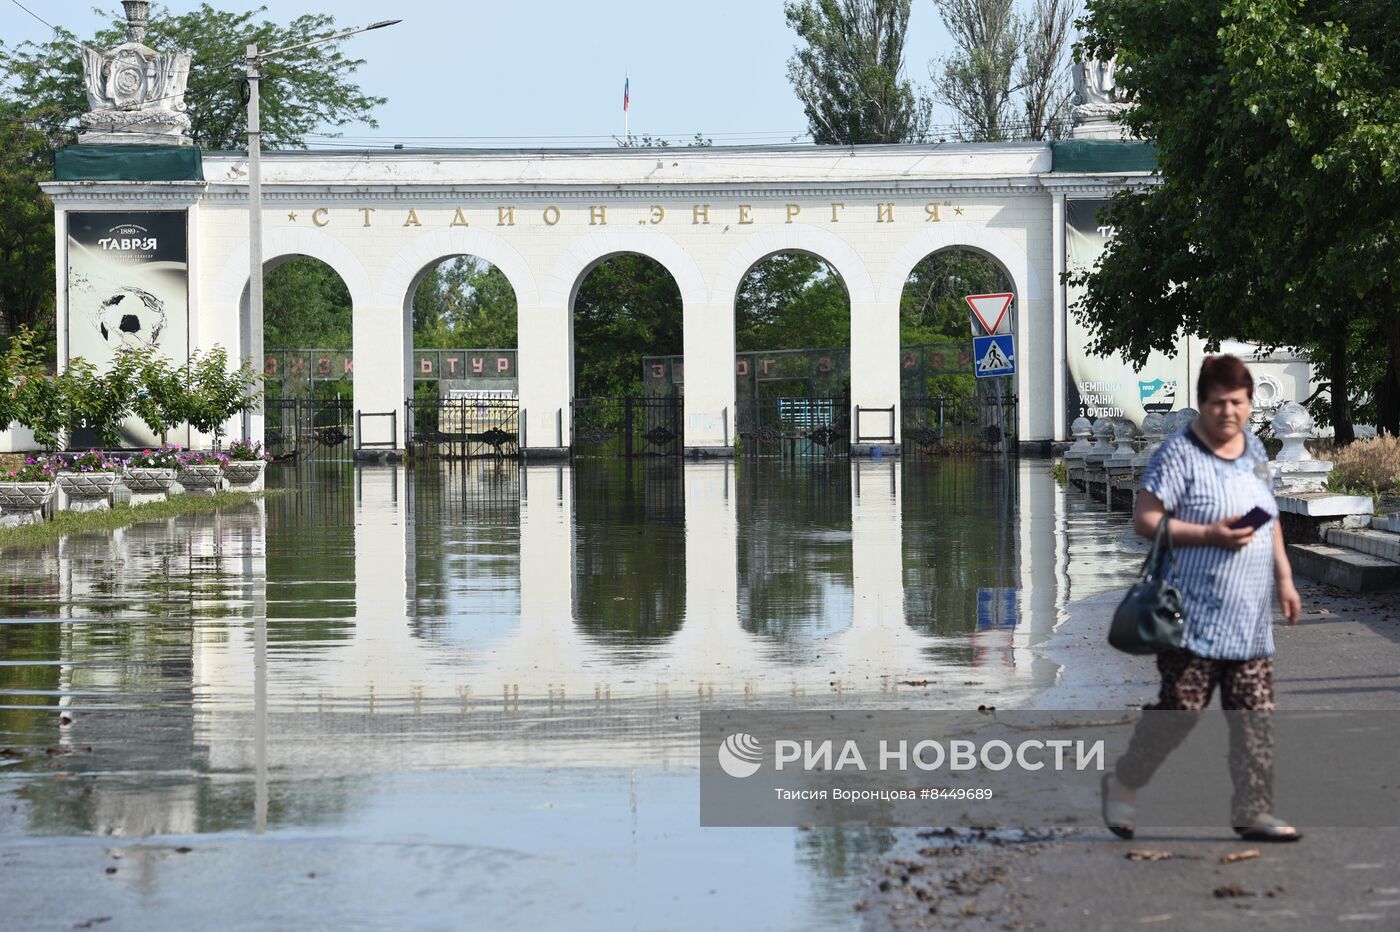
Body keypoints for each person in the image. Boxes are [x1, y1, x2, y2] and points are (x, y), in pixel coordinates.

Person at [1102, 355, 1303, 842]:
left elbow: (1268, 517)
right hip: (1191, 613)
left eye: (1237, 403)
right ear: (1201, 403)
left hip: (1249, 617)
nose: (1228, 412)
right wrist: (1208, 533)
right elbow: (1145, 520)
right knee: (1181, 712)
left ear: (1251, 403)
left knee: (1254, 716)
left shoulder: (1254, 449)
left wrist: (1284, 577)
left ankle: (1253, 810)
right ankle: (1124, 782)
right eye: (1218, 403)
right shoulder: (1178, 453)